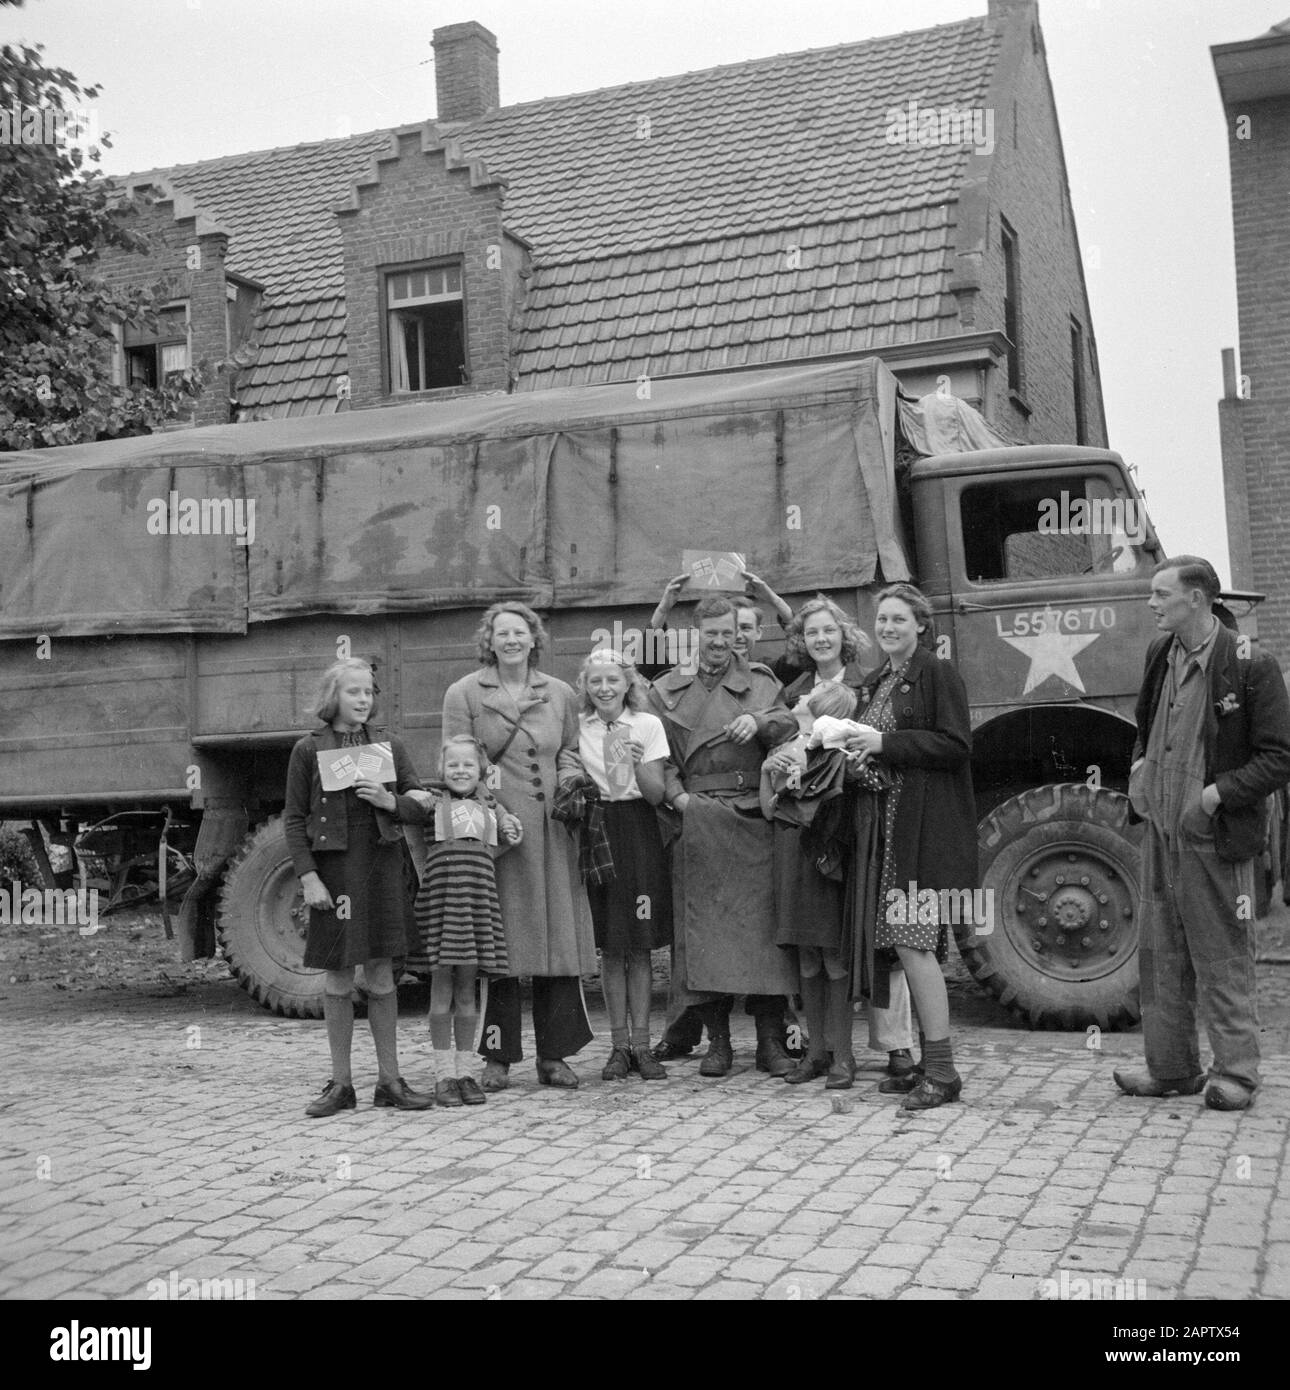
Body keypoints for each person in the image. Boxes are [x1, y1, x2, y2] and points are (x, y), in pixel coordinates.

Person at [1116, 556, 1290, 1111]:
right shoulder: (1158, 654)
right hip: (1162, 839)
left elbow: (1279, 757)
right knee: (1160, 956)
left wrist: (1215, 797)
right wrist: (1140, 767)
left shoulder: (1250, 664)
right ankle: (1171, 1071)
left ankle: (1236, 1074)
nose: (1151, 603)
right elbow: (1147, 726)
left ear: (1197, 599)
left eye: (1161, 594)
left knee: (1222, 957)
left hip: (1216, 841)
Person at [442, 602, 596, 1090]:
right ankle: (497, 1057)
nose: (511, 641)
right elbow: (456, 765)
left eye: (520, 633)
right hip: (498, 836)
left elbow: (570, 749)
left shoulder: (561, 692)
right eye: (501, 633)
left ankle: (555, 1056)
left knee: (556, 942)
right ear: (490, 640)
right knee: (500, 944)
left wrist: (572, 783)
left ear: (534, 639)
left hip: (554, 832)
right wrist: (496, 813)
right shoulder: (464, 693)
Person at [647, 595, 799, 1077]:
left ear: (738, 633)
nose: (718, 642)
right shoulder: (666, 690)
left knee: (762, 932)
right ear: (695, 634)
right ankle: (718, 1043)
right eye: (708, 633)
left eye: (726, 632)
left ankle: (771, 1041)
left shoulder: (760, 682)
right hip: (700, 816)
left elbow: (790, 724)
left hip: (754, 814)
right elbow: (658, 756)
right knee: (703, 935)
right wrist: (679, 800)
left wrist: (758, 720)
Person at [844, 584, 978, 1111]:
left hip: (921, 832)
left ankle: (942, 1073)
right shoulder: (883, 680)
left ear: (921, 625)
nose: (888, 628)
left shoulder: (936, 673)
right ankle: (927, 1062)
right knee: (905, 946)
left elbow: (956, 744)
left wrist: (883, 744)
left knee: (915, 945)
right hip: (889, 831)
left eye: (899, 619)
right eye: (882, 620)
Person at [776, 595, 918, 1082]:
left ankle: (888, 1046)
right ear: (801, 640)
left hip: (859, 821)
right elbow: (784, 758)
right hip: (809, 827)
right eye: (811, 633)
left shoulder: (871, 681)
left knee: (868, 940)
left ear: (844, 635)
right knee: (814, 945)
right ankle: (822, 1050)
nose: (820, 639)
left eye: (829, 631)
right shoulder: (793, 690)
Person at [284, 658, 434, 1117]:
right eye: (354, 692)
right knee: (338, 974)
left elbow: (420, 801)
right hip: (335, 875)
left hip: (382, 867)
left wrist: (393, 801)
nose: (364, 699)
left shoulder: (389, 744)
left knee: (383, 971)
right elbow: (294, 818)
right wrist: (309, 877)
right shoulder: (308, 751)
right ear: (333, 697)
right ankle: (341, 1085)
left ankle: (390, 1081)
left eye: (369, 691)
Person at [403, 736, 523, 1107]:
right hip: (442, 906)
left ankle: (466, 1071)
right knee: (442, 990)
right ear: (441, 770)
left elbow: (503, 841)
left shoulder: (491, 805)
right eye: (452, 764)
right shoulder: (431, 801)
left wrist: (510, 826)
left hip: (477, 905)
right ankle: (443, 1076)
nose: (460, 770)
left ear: (482, 771)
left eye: (468, 765)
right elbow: (404, 812)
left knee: (468, 992)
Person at [570, 648, 673, 1080]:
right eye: (596, 681)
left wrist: (635, 761)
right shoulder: (577, 729)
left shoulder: (647, 725)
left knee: (640, 943)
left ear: (627, 683)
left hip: (638, 826)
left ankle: (644, 1046)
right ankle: (618, 1047)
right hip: (599, 826)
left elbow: (654, 794)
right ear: (586, 687)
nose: (604, 688)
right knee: (612, 945)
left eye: (613, 680)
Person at [762, 679, 861, 1089]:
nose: (799, 704)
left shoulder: (844, 752)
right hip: (792, 856)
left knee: (834, 958)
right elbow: (771, 810)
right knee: (806, 956)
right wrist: (771, 774)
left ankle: (842, 1054)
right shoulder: (787, 750)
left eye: (810, 707)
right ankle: (816, 1051)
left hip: (826, 859)